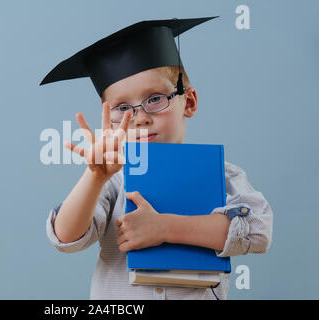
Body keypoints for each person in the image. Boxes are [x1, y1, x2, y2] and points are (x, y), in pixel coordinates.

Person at [40, 17, 273, 299]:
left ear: (188, 102)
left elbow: (258, 231)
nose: (139, 118)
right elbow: (67, 238)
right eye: (123, 108)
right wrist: (94, 177)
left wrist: (165, 228)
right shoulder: (113, 179)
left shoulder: (220, 174)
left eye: (154, 99)